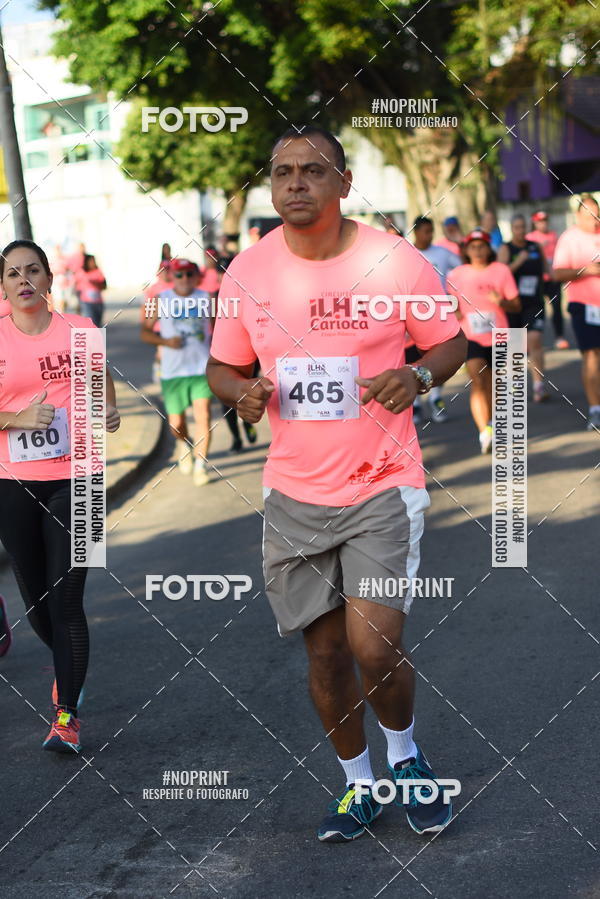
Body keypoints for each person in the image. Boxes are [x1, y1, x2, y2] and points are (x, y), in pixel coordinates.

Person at [207, 125, 466, 842]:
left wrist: (415, 375)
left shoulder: (393, 259)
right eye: (283, 170)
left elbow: (451, 341)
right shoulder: (247, 273)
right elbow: (222, 366)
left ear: (343, 183)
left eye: (313, 170)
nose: (295, 182)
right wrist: (242, 394)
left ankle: (407, 757)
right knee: (324, 652)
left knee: (374, 645)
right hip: (293, 492)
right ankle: (359, 784)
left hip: (383, 480)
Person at [0, 239, 120, 751]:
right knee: (37, 607)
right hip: (12, 481)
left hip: (83, 477)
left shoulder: (82, 331)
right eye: (12, 274)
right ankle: (71, 670)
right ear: (2, 287)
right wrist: (17, 418)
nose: (23, 280)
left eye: (32, 271)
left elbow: (101, 384)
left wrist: (109, 411)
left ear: (50, 279)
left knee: (67, 599)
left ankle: (67, 715)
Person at [447, 230, 521, 452]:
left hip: (498, 333)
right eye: (473, 246)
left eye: (481, 246)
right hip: (470, 336)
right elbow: (449, 304)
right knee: (478, 380)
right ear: (466, 250)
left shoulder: (501, 271)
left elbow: (516, 305)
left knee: (497, 384)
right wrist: (454, 312)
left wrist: (501, 302)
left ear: (489, 249)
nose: (477, 250)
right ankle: (484, 431)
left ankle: (494, 424)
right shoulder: (456, 274)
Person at [141, 258, 213, 485]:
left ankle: (201, 466)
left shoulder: (206, 298)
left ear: (196, 276)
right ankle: (184, 443)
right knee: (175, 425)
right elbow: (144, 333)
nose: (184, 279)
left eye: (189, 274)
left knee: (203, 416)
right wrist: (165, 342)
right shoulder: (160, 300)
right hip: (173, 372)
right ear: (171, 277)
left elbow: (221, 330)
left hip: (201, 368)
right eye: (179, 275)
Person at [553, 194, 600, 431]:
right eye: (589, 215)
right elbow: (558, 274)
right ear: (578, 216)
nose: (595, 220)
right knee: (591, 356)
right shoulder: (569, 238)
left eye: (597, 213)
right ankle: (594, 409)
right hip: (584, 306)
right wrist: (586, 270)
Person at [410, 216, 462, 422]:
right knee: (412, 359)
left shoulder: (441, 253)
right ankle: (414, 404)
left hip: (438, 312)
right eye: (425, 231)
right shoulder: (406, 252)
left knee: (438, 357)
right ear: (416, 232)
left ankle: (436, 398)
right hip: (411, 314)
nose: (429, 235)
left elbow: (462, 267)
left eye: (431, 231)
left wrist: (459, 241)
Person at [498, 214, 548, 402]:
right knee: (515, 345)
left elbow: (548, 272)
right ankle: (514, 385)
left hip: (534, 302)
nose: (521, 230)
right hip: (513, 303)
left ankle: (538, 385)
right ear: (512, 229)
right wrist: (519, 261)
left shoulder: (536, 247)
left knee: (534, 339)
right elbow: (500, 275)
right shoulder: (506, 248)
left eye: (523, 226)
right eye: (517, 227)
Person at [526, 211, 569, 349]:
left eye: (545, 221)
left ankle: (560, 337)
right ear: (534, 223)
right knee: (538, 309)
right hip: (538, 280)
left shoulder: (554, 236)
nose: (543, 224)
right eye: (540, 221)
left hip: (553, 278)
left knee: (557, 308)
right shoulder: (530, 238)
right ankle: (536, 339)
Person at [75, 254, 107, 327]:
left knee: (98, 325)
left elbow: (104, 286)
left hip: (98, 302)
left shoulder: (98, 271)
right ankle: (90, 338)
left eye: (93, 261)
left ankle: (98, 338)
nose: (93, 263)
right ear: (86, 262)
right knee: (90, 324)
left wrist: (95, 283)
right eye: (91, 261)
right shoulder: (81, 272)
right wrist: (78, 303)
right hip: (87, 302)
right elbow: (77, 286)